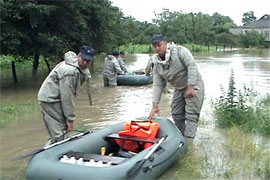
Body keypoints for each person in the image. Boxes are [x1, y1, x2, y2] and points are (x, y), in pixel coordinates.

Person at [148, 34, 204, 138]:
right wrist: (155, 105)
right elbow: (157, 84)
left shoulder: (180, 51)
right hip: (178, 87)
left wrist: (191, 86)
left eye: (159, 45)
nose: (157, 48)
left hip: (193, 84)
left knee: (191, 115)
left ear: (165, 43)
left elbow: (192, 66)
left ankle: (189, 140)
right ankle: (182, 137)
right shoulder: (156, 62)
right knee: (176, 113)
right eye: (154, 46)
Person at [37, 45, 95, 145]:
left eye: (88, 61)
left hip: (52, 98)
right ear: (79, 56)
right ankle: (53, 154)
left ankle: (51, 149)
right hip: (51, 100)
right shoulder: (70, 71)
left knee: (57, 132)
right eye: (84, 59)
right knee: (60, 133)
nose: (85, 63)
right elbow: (67, 97)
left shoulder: (78, 67)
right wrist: (70, 119)